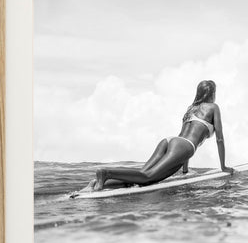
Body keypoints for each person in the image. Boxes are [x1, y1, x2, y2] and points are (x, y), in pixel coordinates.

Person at [89, 80, 234, 191]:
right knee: (148, 178)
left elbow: (182, 138)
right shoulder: (213, 107)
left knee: (140, 175)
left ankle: (101, 182)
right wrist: (223, 167)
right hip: (183, 146)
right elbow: (219, 139)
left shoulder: (191, 109)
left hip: (170, 140)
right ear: (212, 94)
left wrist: (185, 171)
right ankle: (105, 173)